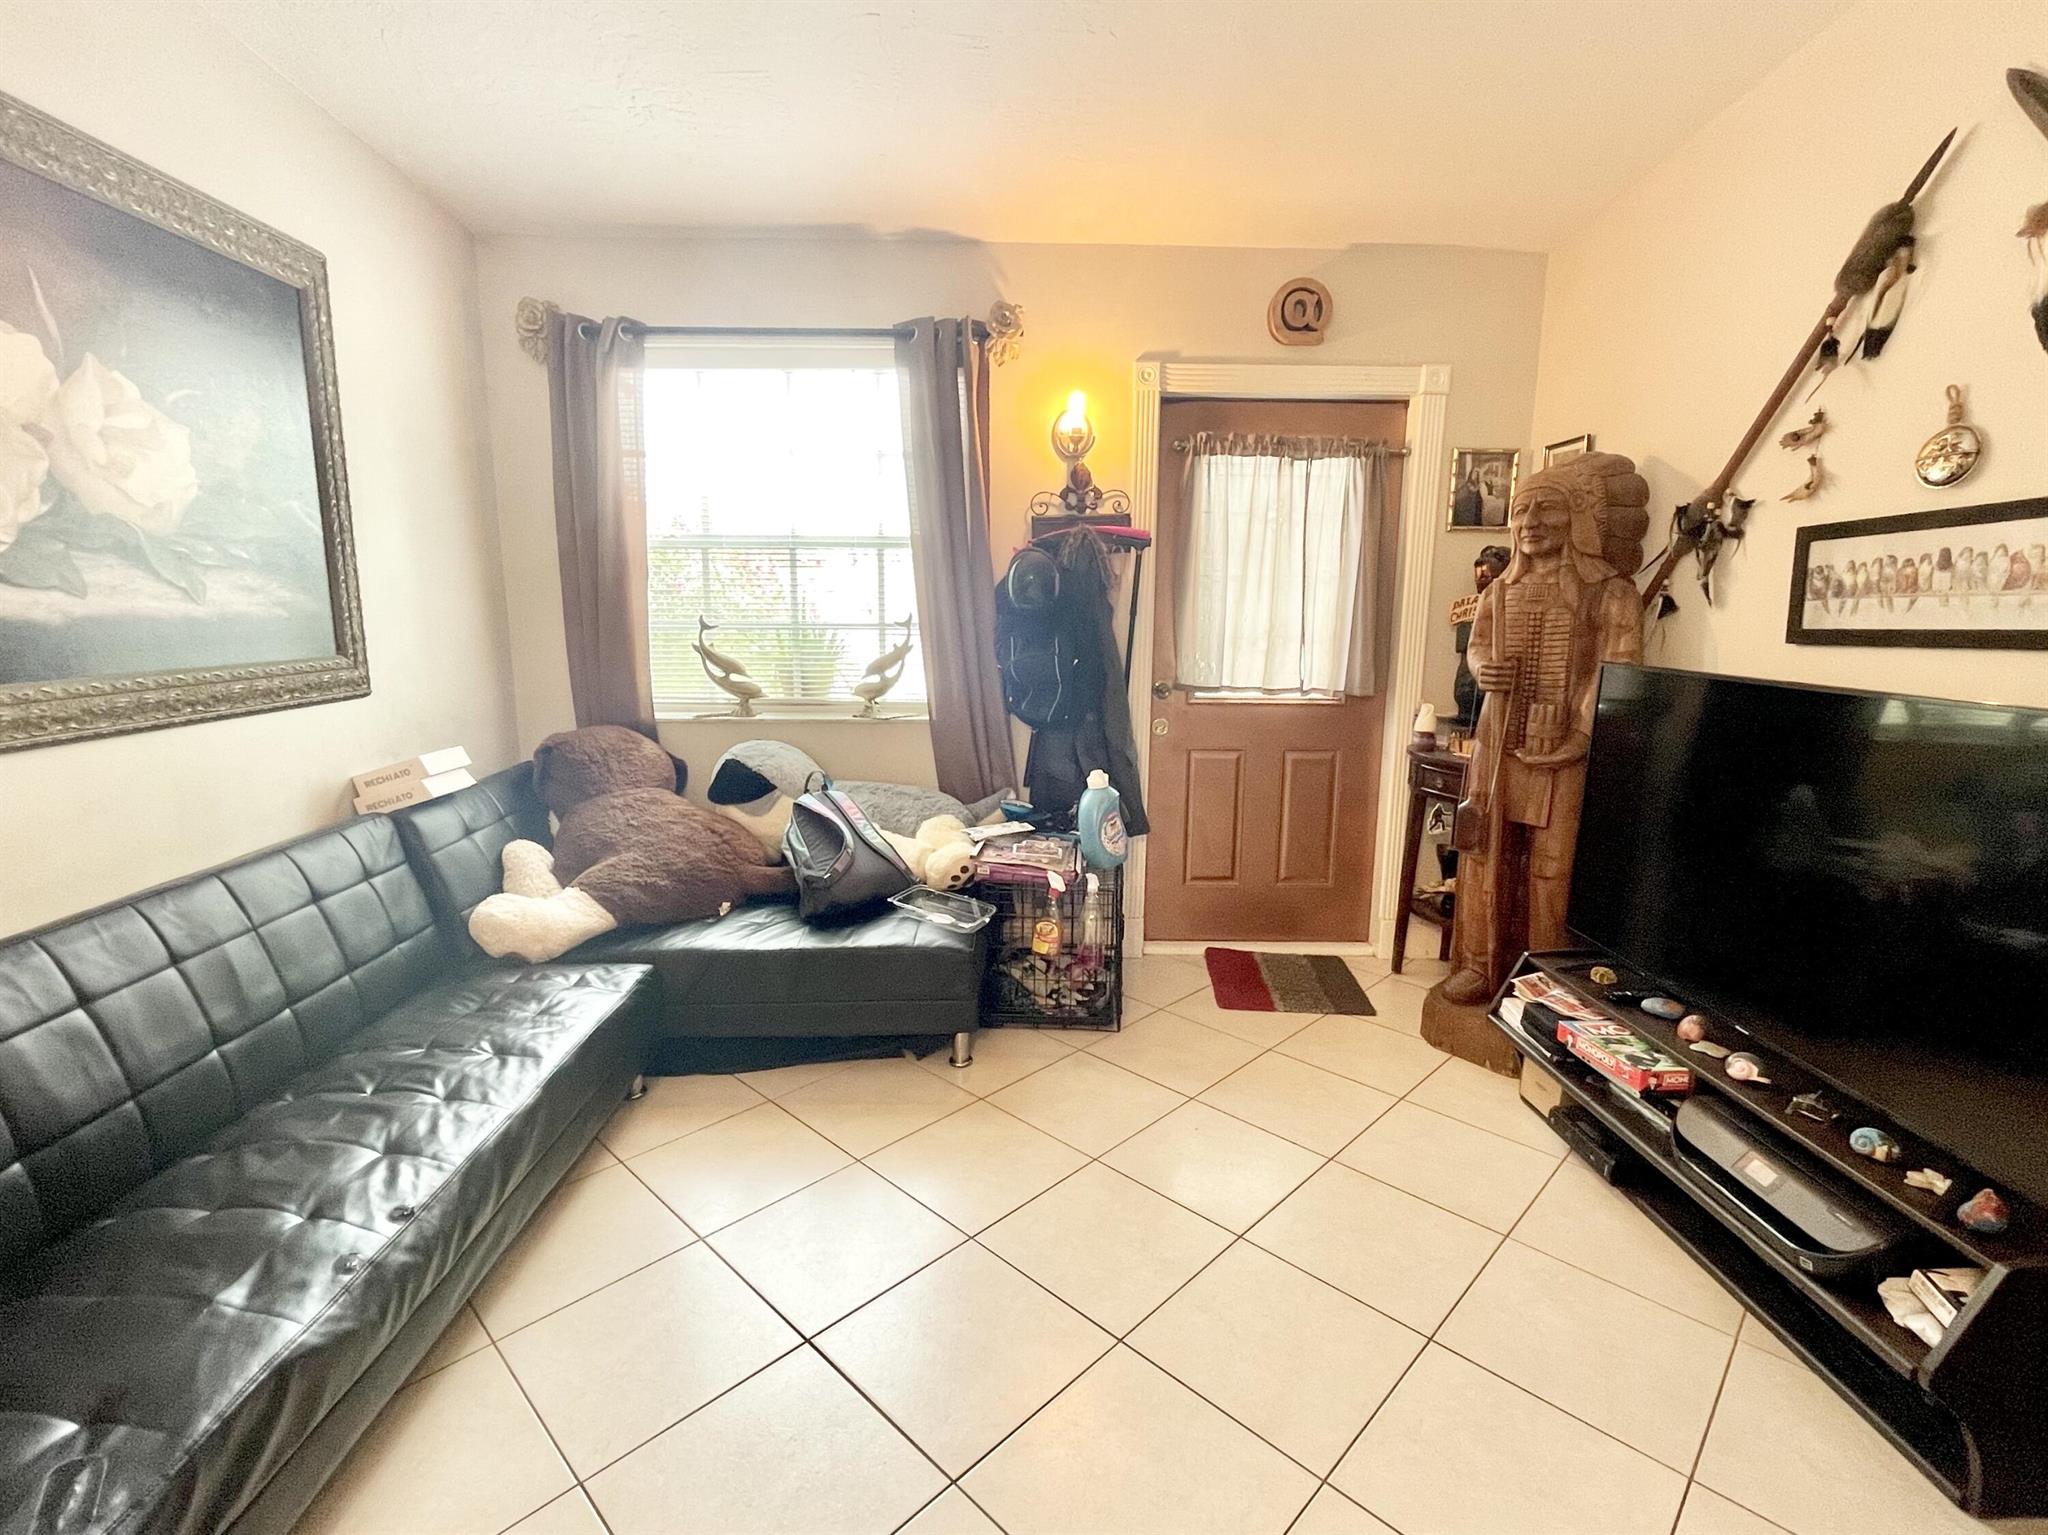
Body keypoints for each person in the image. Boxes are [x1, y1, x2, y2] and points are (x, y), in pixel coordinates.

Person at [1441, 453, 1647, 1005]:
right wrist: (1485, 669)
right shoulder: (1499, 591)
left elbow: (1618, 667)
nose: (1530, 522)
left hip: (1565, 750)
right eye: (1521, 511)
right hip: (1499, 742)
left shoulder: (1610, 592)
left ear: (1576, 517)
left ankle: (1548, 980)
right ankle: (1480, 965)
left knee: (1553, 869)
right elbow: (1478, 650)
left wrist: (1578, 736)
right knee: (1485, 855)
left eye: (1546, 509)